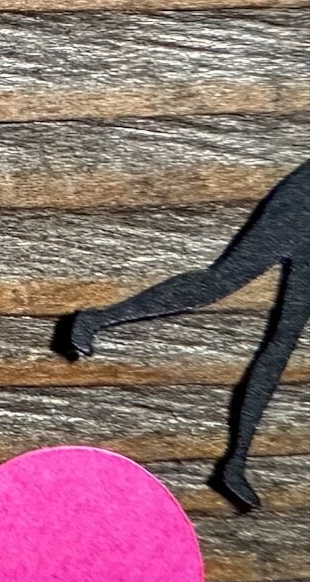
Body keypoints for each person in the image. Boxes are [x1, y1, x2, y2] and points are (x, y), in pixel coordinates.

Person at [60, 161, 310, 511]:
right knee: (218, 283)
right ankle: (94, 320)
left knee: (282, 341)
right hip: (301, 207)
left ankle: (235, 462)